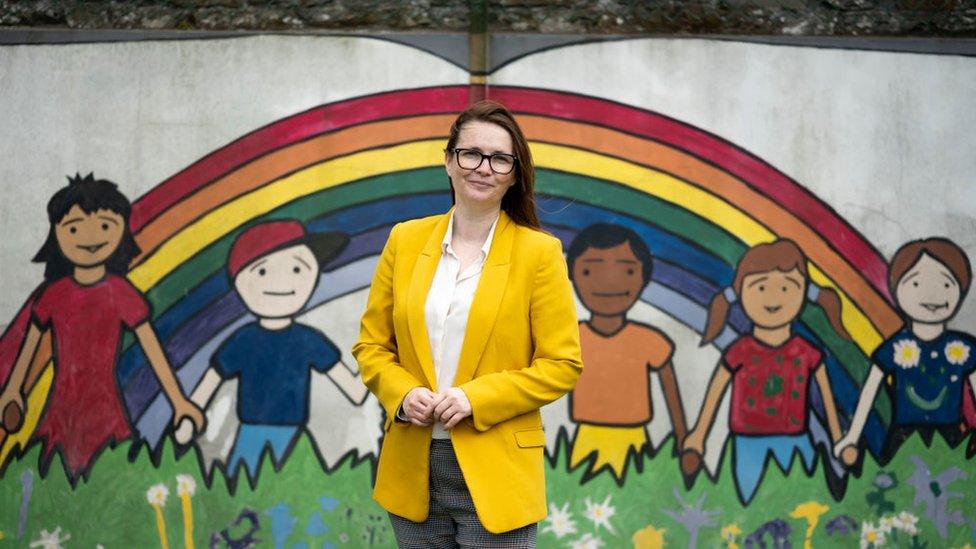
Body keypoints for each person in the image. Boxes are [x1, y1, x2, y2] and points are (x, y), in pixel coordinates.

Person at [353, 100, 583, 547]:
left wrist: (474, 398)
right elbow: (371, 347)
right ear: (448, 160)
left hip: (498, 471)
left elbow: (562, 364)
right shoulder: (404, 240)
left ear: (515, 173)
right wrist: (403, 394)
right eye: (471, 153)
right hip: (413, 470)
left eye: (500, 158)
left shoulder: (540, 253)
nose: (484, 167)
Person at [0, 173, 204, 479]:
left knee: (109, 473)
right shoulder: (53, 296)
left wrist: (179, 403)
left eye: (106, 225)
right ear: (56, 235)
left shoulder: (121, 293)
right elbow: (28, 351)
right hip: (62, 405)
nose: (91, 236)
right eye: (74, 228)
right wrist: (13, 392)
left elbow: (153, 351)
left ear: (121, 232)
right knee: (55, 473)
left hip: (106, 403)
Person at [173, 220, 368, 481]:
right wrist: (188, 420)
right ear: (239, 282)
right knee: (244, 490)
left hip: (294, 438)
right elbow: (206, 388)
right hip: (250, 435)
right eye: (262, 272)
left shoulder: (309, 341)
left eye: (298, 268)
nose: (283, 281)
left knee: (291, 494)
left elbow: (355, 391)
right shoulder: (243, 341)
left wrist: (384, 355)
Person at [683, 239, 848, 503]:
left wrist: (839, 439)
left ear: (803, 293)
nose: (773, 298)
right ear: (741, 294)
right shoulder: (740, 351)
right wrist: (698, 436)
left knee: (800, 505)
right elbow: (715, 393)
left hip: (796, 441)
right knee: (749, 505)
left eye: (785, 287)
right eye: (760, 287)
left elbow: (828, 400)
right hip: (749, 444)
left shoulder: (806, 351)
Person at [833, 238, 975, 465]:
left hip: (950, 437)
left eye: (946, 285)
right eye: (916, 284)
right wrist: (852, 437)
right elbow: (869, 392)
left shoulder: (964, 349)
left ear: (961, 290)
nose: (932, 295)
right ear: (896, 289)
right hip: (904, 438)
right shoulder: (895, 348)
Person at [565, 223, 688, 481]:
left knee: (634, 493)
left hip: (634, 438)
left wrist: (683, 440)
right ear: (573, 275)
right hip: (587, 437)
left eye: (627, 271)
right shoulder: (570, 337)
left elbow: (671, 391)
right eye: (590, 270)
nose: (609, 281)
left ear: (643, 278)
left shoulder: (648, 340)